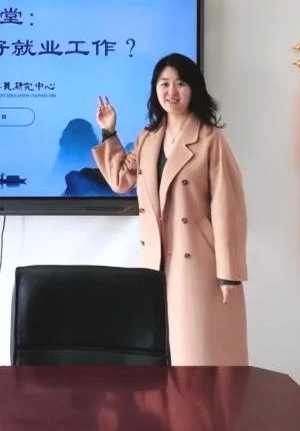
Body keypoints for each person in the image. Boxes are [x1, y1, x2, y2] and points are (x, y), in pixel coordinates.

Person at [92, 52, 248, 365]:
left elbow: (227, 207)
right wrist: (109, 132)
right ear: (155, 89)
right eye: (164, 84)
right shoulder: (148, 137)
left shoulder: (210, 139)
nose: (171, 92)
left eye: (180, 84)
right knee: (159, 359)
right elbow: (121, 180)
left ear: (194, 89)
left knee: (198, 356)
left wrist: (229, 274)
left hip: (200, 264)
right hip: (155, 263)